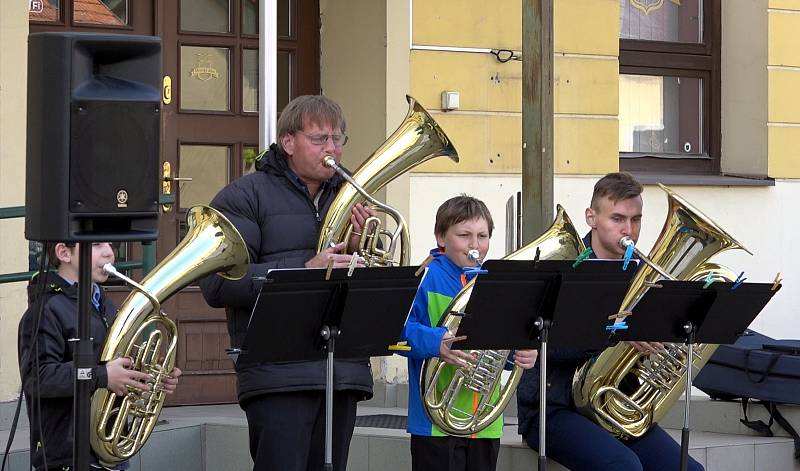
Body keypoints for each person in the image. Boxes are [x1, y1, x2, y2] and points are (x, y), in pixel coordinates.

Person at [199, 95, 374, 471]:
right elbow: (216, 284)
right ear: (288, 142)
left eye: (338, 139)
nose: (332, 148)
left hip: (340, 368)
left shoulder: (349, 196)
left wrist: (360, 248)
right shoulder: (244, 197)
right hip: (277, 371)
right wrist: (305, 267)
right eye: (319, 139)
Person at [515, 172, 704, 471]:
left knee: (690, 470)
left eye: (636, 219)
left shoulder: (645, 275)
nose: (629, 229)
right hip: (552, 407)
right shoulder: (565, 264)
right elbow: (545, 342)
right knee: (623, 467)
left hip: (611, 408)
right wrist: (617, 336)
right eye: (617, 218)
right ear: (592, 217)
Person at [400, 195, 538, 471]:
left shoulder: (494, 284)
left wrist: (518, 354)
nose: (475, 245)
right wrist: (436, 341)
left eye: (482, 236)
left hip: (484, 421)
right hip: (434, 423)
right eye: (464, 235)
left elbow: (502, 344)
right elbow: (397, 333)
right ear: (441, 237)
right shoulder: (424, 278)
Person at [18, 242, 182, 471]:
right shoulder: (45, 309)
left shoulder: (105, 305)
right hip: (67, 454)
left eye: (110, 244)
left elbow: (114, 365)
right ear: (63, 252)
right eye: (96, 245)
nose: (109, 253)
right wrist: (102, 375)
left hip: (109, 449)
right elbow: (39, 378)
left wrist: (150, 375)